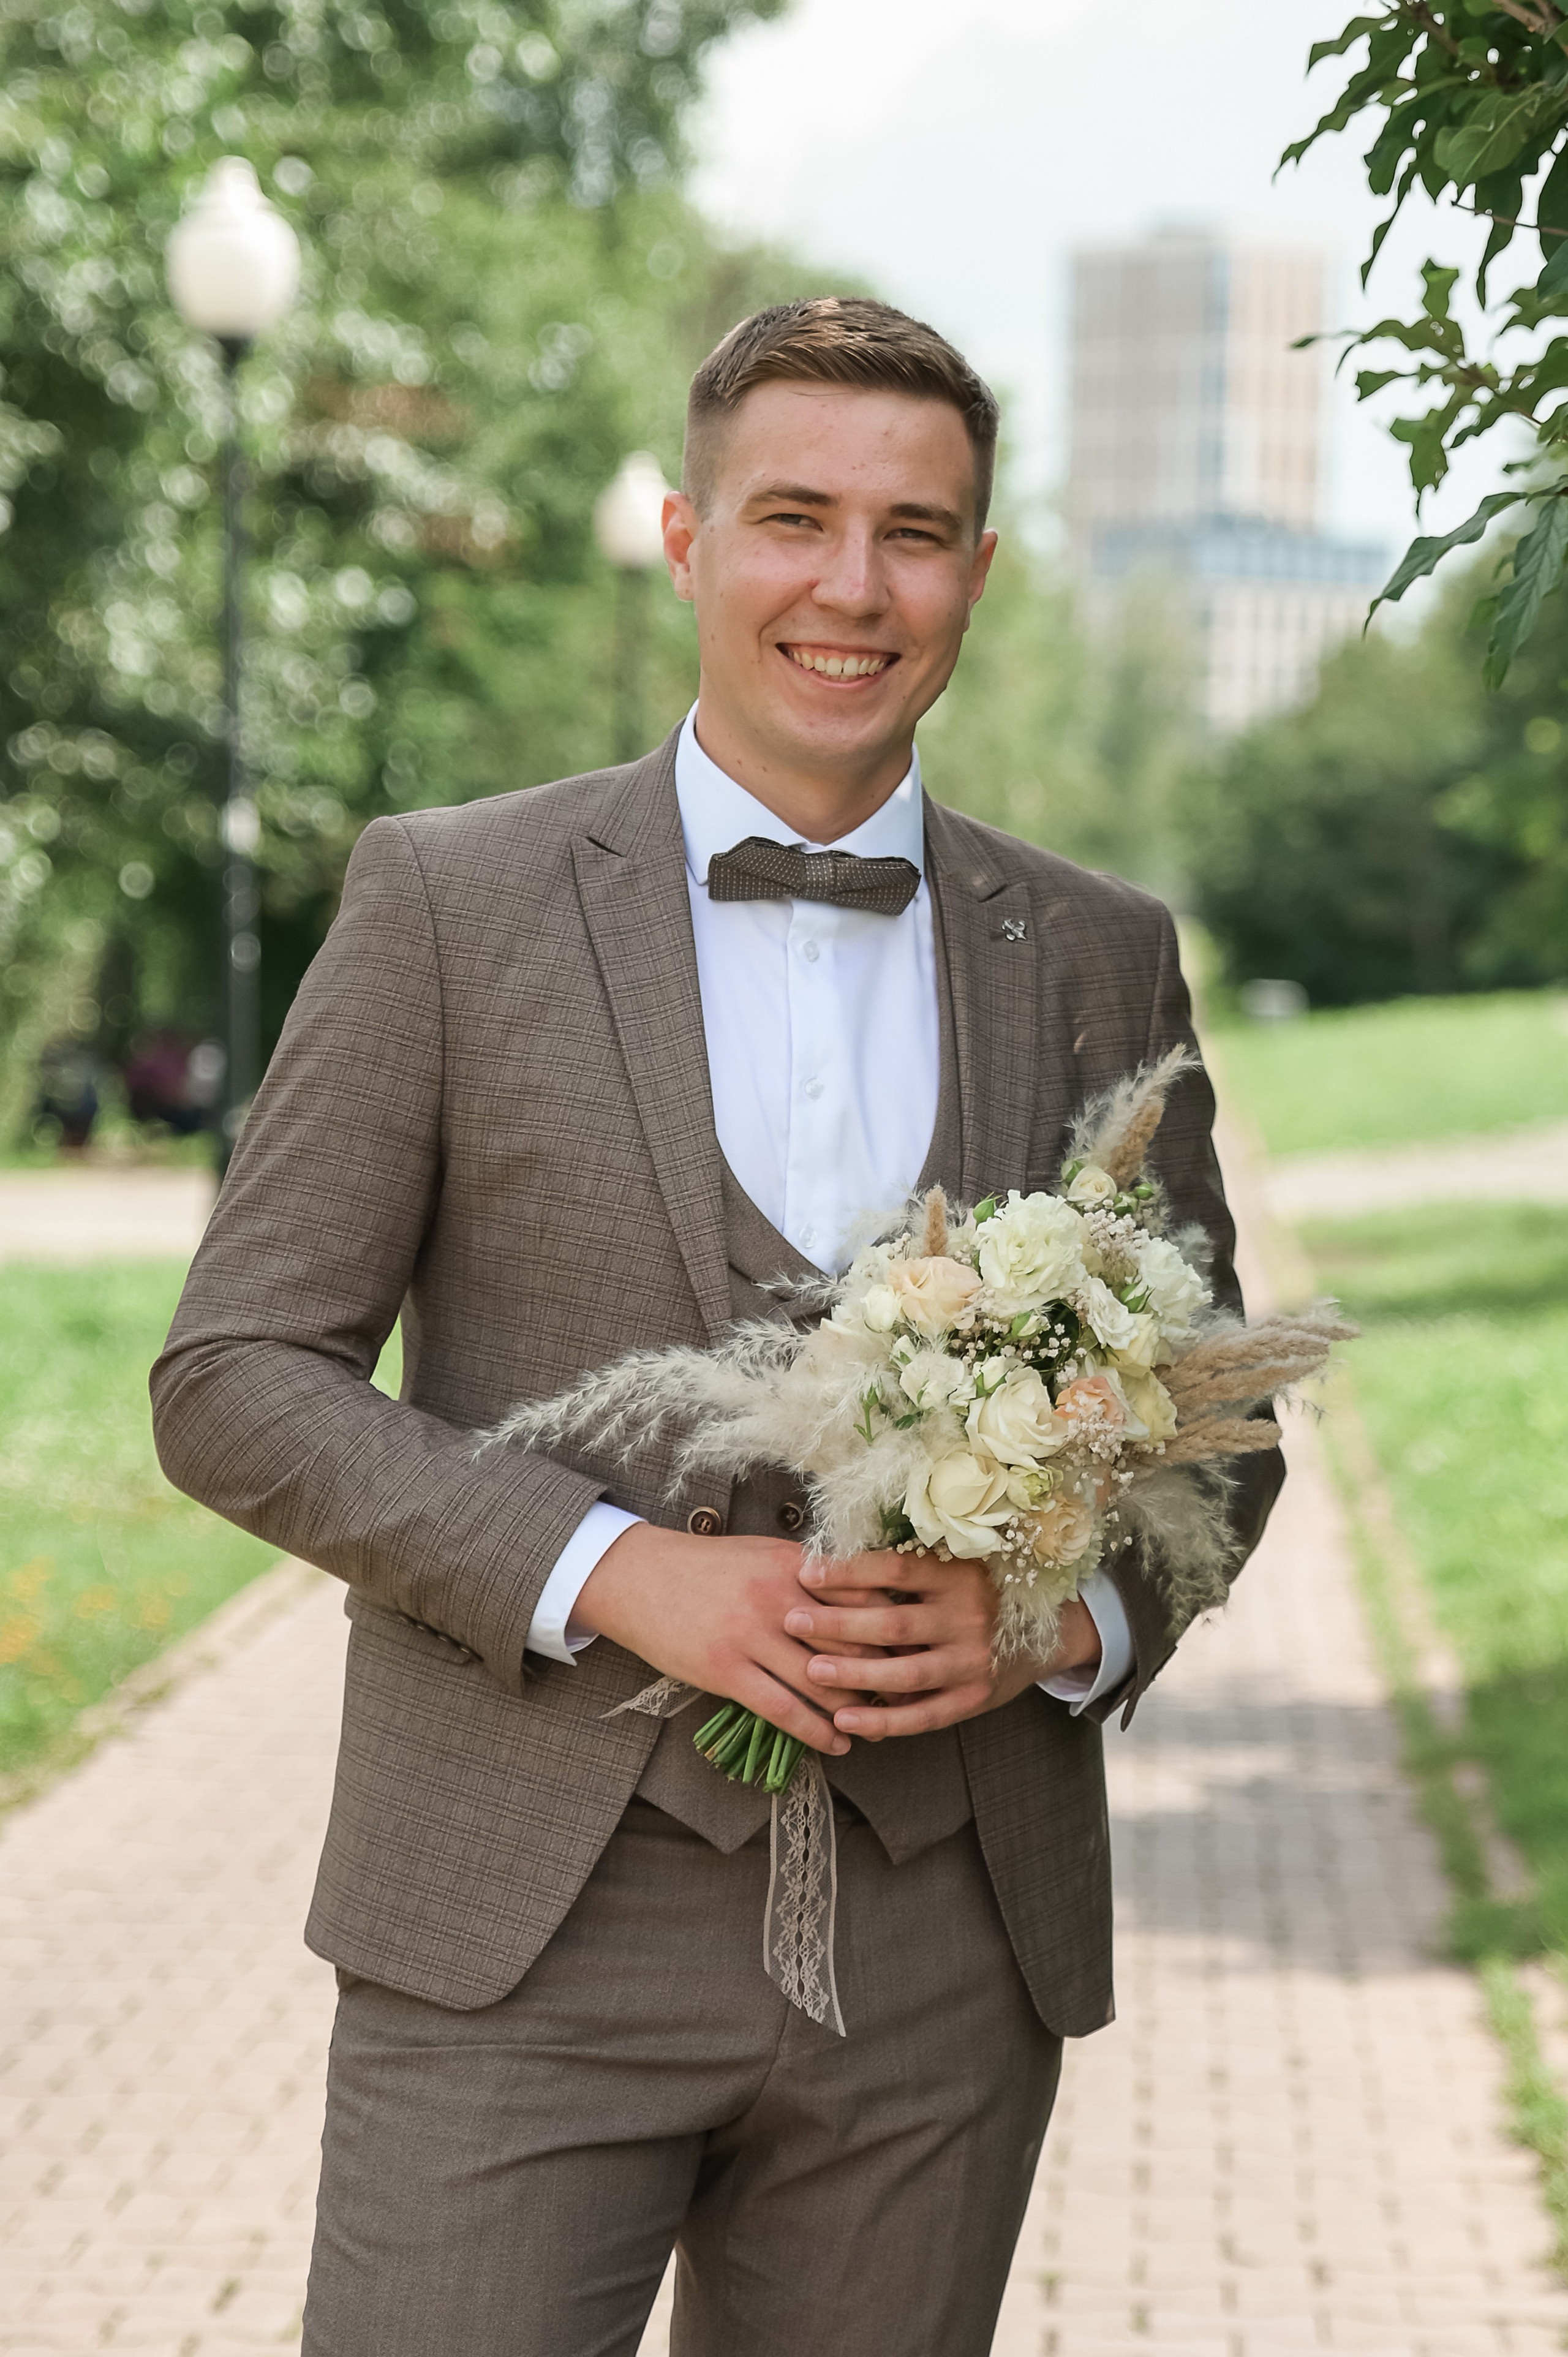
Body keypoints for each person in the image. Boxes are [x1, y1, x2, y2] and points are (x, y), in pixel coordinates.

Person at [151, 297, 1283, 2357]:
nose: (852, 586)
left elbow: (1215, 1426)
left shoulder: (1102, 955)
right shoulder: (447, 902)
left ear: (980, 572)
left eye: (916, 532)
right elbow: (234, 1377)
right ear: (688, 538)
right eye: (794, 518)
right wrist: (614, 1571)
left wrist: (1064, 1620)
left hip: (950, 1946)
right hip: (515, 1921)